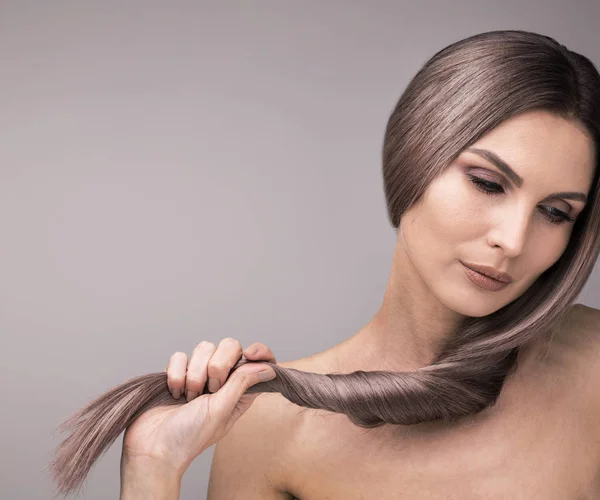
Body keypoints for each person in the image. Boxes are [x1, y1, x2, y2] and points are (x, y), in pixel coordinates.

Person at [115, 29, 600, 498]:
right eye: (487, 183)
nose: (513, 241)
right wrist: (151, 470)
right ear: (415, 157)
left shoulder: (591, 364)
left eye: (556, 213)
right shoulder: (269, 427)